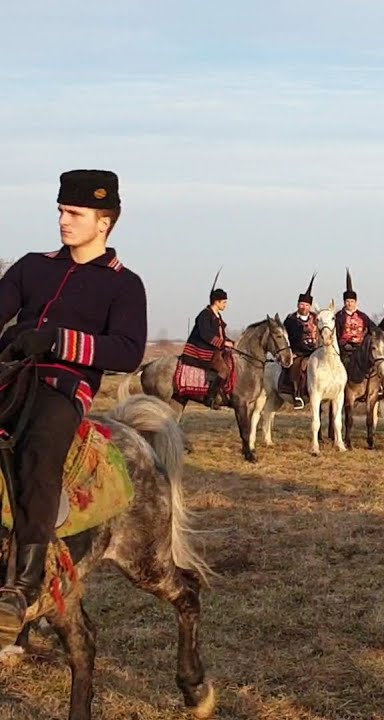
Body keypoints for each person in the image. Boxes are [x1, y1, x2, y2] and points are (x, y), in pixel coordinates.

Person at [0, 169, 147, 644]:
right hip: (8, 377)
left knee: (39, 452)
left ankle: (21, 588)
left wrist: (59, 341)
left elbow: (126, 351)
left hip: (63, 389)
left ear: (104, 222)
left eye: (74, 213)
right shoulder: (30, 266)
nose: (63, 220)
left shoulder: (125, 285)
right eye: (61, 211)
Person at [182, 283, 235, 408]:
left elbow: (220, 336)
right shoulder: (204, 315)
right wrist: (223, 343)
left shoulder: (217, 316)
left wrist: (230, 342)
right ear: (216, 302)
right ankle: (211, 397)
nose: (225, 305)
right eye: (224, 302)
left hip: (214, 349)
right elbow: (206, 335)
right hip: (200, 350)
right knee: (223, 369)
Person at [283, 274, 318, 409]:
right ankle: (297, 394)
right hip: (297, 351)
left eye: (306, 305)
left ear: (310, 306)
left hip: (315, 351)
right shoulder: (290, 319)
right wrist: (289, 352)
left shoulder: (316, 318)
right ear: (298, 305)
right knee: (298, 366)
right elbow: (284, 336)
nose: (303, 307)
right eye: (301, 304)